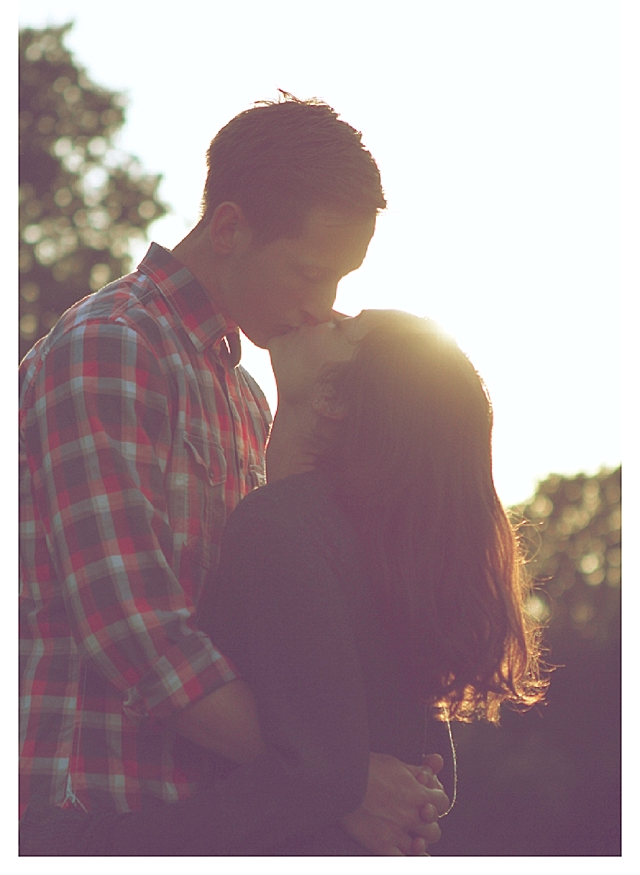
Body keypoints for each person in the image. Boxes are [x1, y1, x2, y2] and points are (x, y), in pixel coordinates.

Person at [19, 94, 446, 855]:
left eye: (340, 282)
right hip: (86, 806)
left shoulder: (245, 396)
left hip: (194, 813)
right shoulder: (112, 347)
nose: (323, 308)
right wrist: (339, 777)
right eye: (310, 274)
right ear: (229, 228)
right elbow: (135, 632)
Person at [19, 309, 544, 855]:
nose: (327, 312)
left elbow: (307, 779)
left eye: (345, 327)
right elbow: (419, 770)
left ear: (335, 400)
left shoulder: (281, 527)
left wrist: (91, 845)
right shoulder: (376, 546)